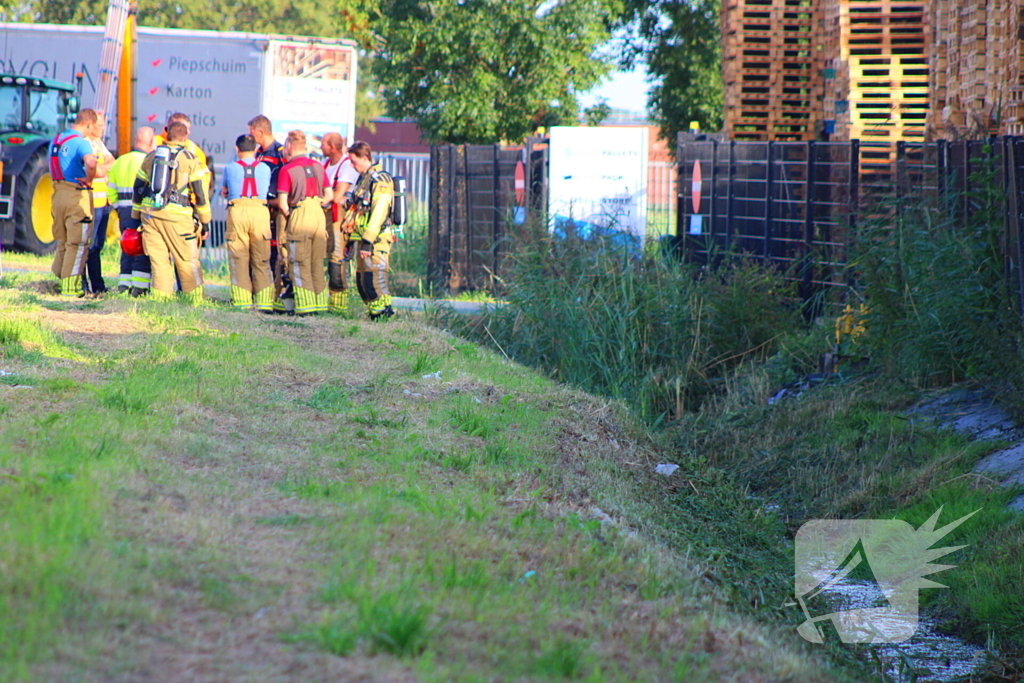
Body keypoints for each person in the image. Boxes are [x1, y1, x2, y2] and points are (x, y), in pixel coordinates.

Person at [132, 120, 212, 302]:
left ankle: (161, 302)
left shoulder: (152, 156)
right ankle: (195, 301)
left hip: (150, 215)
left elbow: (138, 187)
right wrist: (205, 221)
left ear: (166, 134)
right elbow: (200, 193)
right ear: (185, 137)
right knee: (187, 260)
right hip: (178, 219)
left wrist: (136, 216)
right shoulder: (191, 159)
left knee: (159, 262)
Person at [275, 130, 332, 315]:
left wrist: (291, 212)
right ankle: (321, 304)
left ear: (290, 146)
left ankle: (306, 307)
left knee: (299, 262)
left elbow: (283, 203)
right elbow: (329, 195)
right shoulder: (319, 166)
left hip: (300, 214)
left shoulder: (287, 169)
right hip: (319, 215)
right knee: (317, 262)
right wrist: (316, 204)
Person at [49, 108, 101, 298]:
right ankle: (71, 288)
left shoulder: (56, 140)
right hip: (75, 195)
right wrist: (89, 178)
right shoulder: (81, 142)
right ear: (88, 124)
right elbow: (92, 163)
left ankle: (59, 279)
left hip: (57, 194)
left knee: (62, 241)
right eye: (92, 127)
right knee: (78, 243)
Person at [221, 133, 274, 311]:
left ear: (237, 149)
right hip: (260, 211)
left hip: (238, 211)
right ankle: (265, 302)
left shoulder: (230, 168)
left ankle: (242, 302)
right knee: (262, 259)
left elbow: (225, 191)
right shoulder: (265, 168)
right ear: (256, 149)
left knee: (239, 258)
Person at [347, 141, 396, 321]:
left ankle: (384, 315)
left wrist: (368, 241)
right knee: (362, 282)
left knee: (374, 280)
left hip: (377, 239)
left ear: (365, 157)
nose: (352, 166)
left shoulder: (380, 180)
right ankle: (375, 316)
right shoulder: (365, 178)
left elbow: (379, 212)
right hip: (364, 238)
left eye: (354, 161)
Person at [107, 126, 156, 296]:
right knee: (142, 248)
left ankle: (124, 284)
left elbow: (110, 190)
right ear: (151, 142)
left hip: (123, 211)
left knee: (127, 246)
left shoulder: (120, 160)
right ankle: (139, 288)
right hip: (141, 211)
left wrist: (118, 207)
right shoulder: (149, 161)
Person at [248, 114, 287, 308]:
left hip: (274, 209)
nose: (250, 137)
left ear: (260, 131)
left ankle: (274, 297)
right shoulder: (259, 153)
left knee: (273, 254)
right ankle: (257, 294)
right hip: (260, 208)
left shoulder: (279, 152)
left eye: (252, 133)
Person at [320, 132, 360, 313]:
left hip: (338, 217)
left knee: (337, 259)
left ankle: (339, 305)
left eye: (323, 144)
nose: (320, 147)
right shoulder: (325, 164)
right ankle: (327, 300)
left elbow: (336, 197)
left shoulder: (346, 166)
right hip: (324, 216)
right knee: (324, 257)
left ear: (333, 147)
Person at [82, 123, 116, 295]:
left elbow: (111, 163)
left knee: (96, 246)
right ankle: (83, 285)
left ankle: (97, 286)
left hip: (103, 203)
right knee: (87, 245)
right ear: (91, 125)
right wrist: (101, 168)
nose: (104, 128)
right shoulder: (85, 144)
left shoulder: (99, 143)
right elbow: (97, 171)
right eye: (101, 125)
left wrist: (102, 168)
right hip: (91, 202)